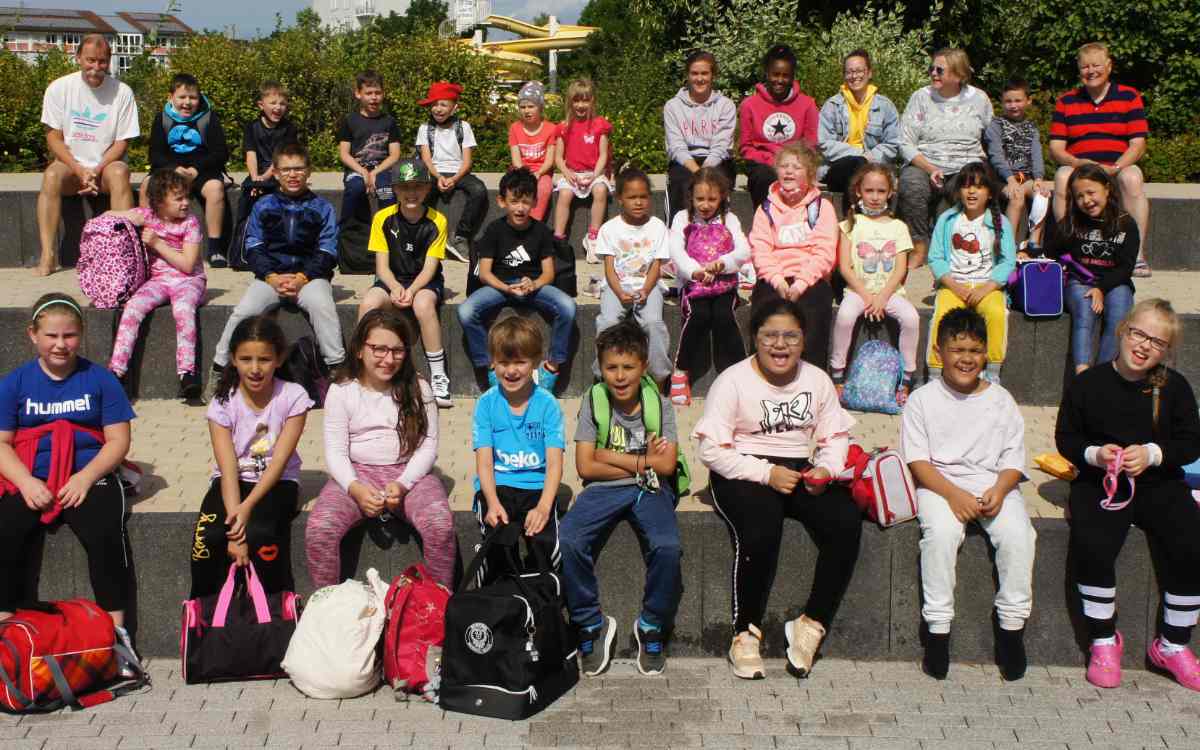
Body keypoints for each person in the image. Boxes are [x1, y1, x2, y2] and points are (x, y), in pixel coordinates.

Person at [695, 297, 860, 680]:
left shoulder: (817, 380)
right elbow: (711, 450)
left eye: (791, 336)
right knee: (762, 527)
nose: (780, 345)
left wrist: (826, 469)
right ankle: (744, 633)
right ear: (755, 338)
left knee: (845, 521)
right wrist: (766, 474)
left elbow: (835, 437)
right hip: (741, 468)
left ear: (804, 341)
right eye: (770, 335)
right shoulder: (732, 380)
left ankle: (811, 623)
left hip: (800, 466)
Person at [1056, 299, 1200, 691]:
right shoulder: (1088, 384)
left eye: (1156, 341)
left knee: (1192, 541)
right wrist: (1096, 455)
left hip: (1159, 481)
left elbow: (1191, 442)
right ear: (1122, 330)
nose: (1144, 346)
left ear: (1166, 351)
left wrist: (1154, 454)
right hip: (1100, 480)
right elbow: (1066, 438)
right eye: (1139, 333)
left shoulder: (1174, 387)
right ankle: (1104, 639)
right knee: (1093, 543)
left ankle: (1172, 644)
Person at [0, 293, 138, 666]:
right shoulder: (14, 384)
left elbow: (118, 441)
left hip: (87, 475)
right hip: (32, 476)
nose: (61, 344)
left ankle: (119, 639)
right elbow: (2, 445)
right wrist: (27, 482)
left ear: (81, 334)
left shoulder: (101, 380)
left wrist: (85, 477)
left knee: (107, 536)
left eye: (70, 336)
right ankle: (8, 638)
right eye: (51, 336)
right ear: (33, 335)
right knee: (6, 532)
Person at [902, 307, 1036, 681]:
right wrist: (954, 495)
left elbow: (1013, 458)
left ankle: (1011, 630)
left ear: (986, 354)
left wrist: (1000, 489)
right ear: (938, 352)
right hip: (939, 484)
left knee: (1018, 536)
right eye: (957, 350)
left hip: (993, 483)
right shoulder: (922, 400)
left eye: (975, 351)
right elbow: (918, 462)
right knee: (941, 536)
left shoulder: (1001, 400)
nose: (966, 359)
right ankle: (938, 632)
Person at [561, 318, 683, 677]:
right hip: (603, 490)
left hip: (650, 489)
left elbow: (667, 464)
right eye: (611, 367)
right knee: (568, 540)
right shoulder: (593, 400)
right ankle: (590, 622)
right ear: (600, 368)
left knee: (667, 548)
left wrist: (609, 456)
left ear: (643, 367)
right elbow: (585, 467)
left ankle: (651, 625)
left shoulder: (660, 405)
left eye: (628, 367)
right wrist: (644, 462)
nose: (619, 376)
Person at [307, 311, 454, 589]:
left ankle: (440, 604)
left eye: (397, 350)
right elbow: (336, 452)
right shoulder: (342, 391)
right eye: (379, 349)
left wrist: (403, 484)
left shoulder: (420, 388)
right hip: (356, 474)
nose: (388, 359)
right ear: (360, 349)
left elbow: (428, 446)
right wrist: (354, 488)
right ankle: (326, 606)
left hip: (409, 473)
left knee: (439, 524)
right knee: (320, 527)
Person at [203, 143, 343, 402]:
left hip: (309, 277)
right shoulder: (263, 206)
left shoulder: (322, 208)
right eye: (286, 169)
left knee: (324, 308)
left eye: (299, 169)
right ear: (276, 173)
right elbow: (254, 247)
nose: (293, 175)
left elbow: (328, 251)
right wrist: (271, 276)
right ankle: (220, 369)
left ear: (308, 172)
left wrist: (303, 278)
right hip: (270, 277)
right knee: (243, 312)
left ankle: (338, 371)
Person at [191, 316, 311, 598]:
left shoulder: (293, 397)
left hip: (277, 482)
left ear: (279, 359)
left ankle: (275, 607)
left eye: (264, 360)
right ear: (233, 359)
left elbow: (280, 461)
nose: (255, 369)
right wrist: (235, 518)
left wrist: (246, 511)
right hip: (232, 481)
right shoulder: (222, 401)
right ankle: (203, 612)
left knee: (260, 536)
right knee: (206, 539)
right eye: (246, 359)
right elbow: (227, 465)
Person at [458, 168, 576, 394]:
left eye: (525, 201)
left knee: (568, 307)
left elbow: (548, 273)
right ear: (502, 201)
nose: (520, 207)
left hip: (533, 286)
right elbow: (484, 273)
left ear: (534, 202)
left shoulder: (541, 231)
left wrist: (534, 284)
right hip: (500, 286)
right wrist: (506, 288)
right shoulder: (494, 230)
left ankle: (551, 368)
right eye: (514, 201)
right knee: (465, 312)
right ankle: (490, 367)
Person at [471, 316, 565, 586]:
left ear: (535, 363)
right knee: (499, 542)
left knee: (545, 546)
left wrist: (545, 507)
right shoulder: (486, 405)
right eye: (504, 362)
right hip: (498, 486)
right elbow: (485, 464)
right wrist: (492, 502)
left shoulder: (547, 404)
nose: (511, 371)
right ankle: (500, 600)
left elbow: (555, 464)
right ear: (492, 362)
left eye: (520, 362)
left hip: (537, 488)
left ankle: (543, 604)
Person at [36, 34, 138, 276]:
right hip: (70, 167)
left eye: (102, 61)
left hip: (105, 168)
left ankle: (121, 253)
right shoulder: (59, 88)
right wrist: (79, 168)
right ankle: (48, 254)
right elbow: (53, 136)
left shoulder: (122, 92)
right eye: (90, 60)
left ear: (110, 61)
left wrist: (96, 169)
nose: (96, 67)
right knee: (51, 175)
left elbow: (122, 142)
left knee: (121, 172)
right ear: (78, 58)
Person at [1050, 42, 1151, 278]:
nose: (1090, 71)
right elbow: (1056, 148)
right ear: (1079, 70)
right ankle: (1069, 249)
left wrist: (1115, 168)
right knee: (1062, 175)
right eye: (1085, 66)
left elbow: (1138, 144)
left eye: (1096, 65)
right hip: (1080, 167)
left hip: (1117, 165)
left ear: (1109, 66)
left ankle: (1136, 256)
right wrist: (1077, 163)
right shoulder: (1066, 101)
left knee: (1133, 177)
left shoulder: (1129, 96)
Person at [105, 168, 207, 400]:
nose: (185, 203)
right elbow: (112, 215)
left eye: (186, 197)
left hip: (188, 281)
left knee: (183, 310)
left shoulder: (190, 223)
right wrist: (104, 221)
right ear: (159, 203)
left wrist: (158, 244)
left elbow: (188, 264)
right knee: (132, 308)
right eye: (178, 198)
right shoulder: (147, 216)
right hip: (158, 280)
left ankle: (187, 373)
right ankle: (117, 371)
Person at [358, 158, 452, 407]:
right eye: (405, 187)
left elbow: (430, 267)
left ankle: (439, 374)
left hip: (423, 281)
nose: (411, 193)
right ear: (395, 190)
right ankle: (361, 367)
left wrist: (410, 290)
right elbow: (381, 267)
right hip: (392, 279)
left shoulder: (437, 221)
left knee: (423, 305)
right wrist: (396, 287)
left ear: (427, 189)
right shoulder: (382, 218)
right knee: (369, 302)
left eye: (418, 187)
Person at [829, 163, 919, 404]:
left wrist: (881, 297)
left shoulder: (898, 227)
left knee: (911, 318)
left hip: (890, 293)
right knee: (846, 315)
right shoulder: (849, 225)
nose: (875, 197)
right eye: (869, 191)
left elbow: (900, 268)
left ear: (890, 193)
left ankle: (907, 377)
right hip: (859, 291)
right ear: (858, 191)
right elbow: (845, 267)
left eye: (881, 191)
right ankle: (837, 373)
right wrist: (866, 295)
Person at [897, 48, 993, 268]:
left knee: (962, 190)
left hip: (965, 165)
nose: (933, 73)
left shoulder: (979, 99)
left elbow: (990, 138)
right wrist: (930, 168)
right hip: (925, 162)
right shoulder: (921, 97)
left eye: (940, 69)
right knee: (911, 184)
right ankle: (919, 246)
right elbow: (905, 142)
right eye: (932, 68)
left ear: (959, 74)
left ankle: (951, 252)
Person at [748, 142, 838, 372]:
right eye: (784, 166)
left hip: (809, 278)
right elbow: (760, 249)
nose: (788, 171)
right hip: (774, 277)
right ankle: (763, 374)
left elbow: (825, 252)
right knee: (764, 317)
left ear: (809, 175)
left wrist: (800, 284)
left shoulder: (822, 207)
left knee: (814, 316)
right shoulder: (765, 208)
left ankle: (812, 377)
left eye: (796, 167)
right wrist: (777, 280)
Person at [925, 162, 1015, 384]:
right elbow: (935, 258)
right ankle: (936, 371)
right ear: (958, 191)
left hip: (987, 286)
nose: (972, 191)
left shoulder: (1000, 222)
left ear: (990, 193)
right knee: (940, 315)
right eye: (966, 186)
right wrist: (954, 286)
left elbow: (1007, 261)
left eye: (979, 187)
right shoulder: (947, 220)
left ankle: (993, 370)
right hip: (954, 285)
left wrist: (987, 287)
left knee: (996, 313)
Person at [1043, 164, 1138, 374]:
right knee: (1085, 314)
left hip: (1115, 282)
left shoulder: (1126, 224)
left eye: (1091, 192)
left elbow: (1126, 267)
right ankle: (1083, 374)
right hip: (1080, 280)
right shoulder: (1073, 222)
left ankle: (1102, 375)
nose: (1086, 200)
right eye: (1079, 196)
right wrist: (1030, 254)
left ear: (1107, 189)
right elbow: (1052, 250)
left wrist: (1101, 288)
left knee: (1119, 316)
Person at [667, 166, 749, 406]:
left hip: (724, 284)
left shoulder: (729, 219)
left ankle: (741, 373)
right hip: (695, 285)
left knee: (724, 316)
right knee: (699, 315)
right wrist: (694, 271)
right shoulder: (682, 218)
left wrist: (721, 264)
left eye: (712, 199)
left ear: (722, 196)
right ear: (691, 197)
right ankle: (681, 370)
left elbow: (743, 250)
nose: (705, 204)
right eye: (700, 198)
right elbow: (676, 250)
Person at [593, 168, 672, 388]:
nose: (638, 202)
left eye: (643, 197)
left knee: (653, 323)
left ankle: (659, 375)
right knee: (607, 322)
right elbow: (609, 268)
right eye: (632, 197)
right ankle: (601, 373)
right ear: (620, 199)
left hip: (648, 285)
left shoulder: (657, 227)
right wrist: (618, 292)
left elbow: (656, 266)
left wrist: (646, 290)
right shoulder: (609, 229)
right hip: (616, 286)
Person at [145, 72, 229, 267]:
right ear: (171, 97)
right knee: (146, 186)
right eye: (182, 97)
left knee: (216, 189)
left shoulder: (209, 117)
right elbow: (155, 155)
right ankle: (148, 240)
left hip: (202, 169)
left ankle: (215, 248)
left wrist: (196, 170)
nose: (187, 102)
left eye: (193, 97)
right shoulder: (162, 119)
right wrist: (174, 169)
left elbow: (221, 153)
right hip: (170, 169)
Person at [738, 44, 819, 208]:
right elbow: (746, 147)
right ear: (767, 74)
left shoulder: (807, 104)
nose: (780, 80)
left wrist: (789, 164)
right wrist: (772, 162)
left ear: (792, 76)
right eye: (775, 74)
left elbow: (810, 144)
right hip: (761, 164)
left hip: (795, 162)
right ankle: (767, 225)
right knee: (764, 177)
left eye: (785, 75)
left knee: (796, 177)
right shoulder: (749, 105)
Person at [417, 80, 488, 263]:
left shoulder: (463, 127)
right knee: (421, 192)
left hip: (459, 172)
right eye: (434, 104)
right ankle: (425, 234)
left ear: (454, 108)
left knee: (479, 190)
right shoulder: (425, 128)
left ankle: (460, 236)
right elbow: (426, 159)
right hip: (434, 171)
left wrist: (455, 179)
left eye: (443, 104)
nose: (438, 109)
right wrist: (439, 177)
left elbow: (467, 161)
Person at [663, 50, 737, 220]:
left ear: (713, 75)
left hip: (716, 160)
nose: (700, 78)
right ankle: (678, 232)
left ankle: (720, 233)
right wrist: (697, 172)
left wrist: (704, 173)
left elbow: (721, 146)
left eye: (705, 73)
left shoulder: (726, 106)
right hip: (685, 160)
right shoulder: (672, 106)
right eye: (694, 73)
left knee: (715, 182)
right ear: (687, 75)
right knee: (681, 181)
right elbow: (676, 146)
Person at [817, 49, 901, 195]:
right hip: (837, 168)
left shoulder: (885, 106)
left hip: (876, 167)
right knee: (856, 164)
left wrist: (871, 158)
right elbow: (825, 143)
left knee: (868, 173)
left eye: (859, 71)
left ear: (869, 73)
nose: (854, 76)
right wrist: (860, 154)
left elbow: (893, 143)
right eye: (849, 72)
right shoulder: (832, 106)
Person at [985, 77, 1051, 250]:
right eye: (1008, 101)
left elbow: (1036, 154)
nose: (1013, 105)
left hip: (1024, 177)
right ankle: (1008, 245)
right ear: (1002, 102)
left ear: (1028, 101)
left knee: (1042, 194)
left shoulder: (1031, 127)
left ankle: (1034, 241)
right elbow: (996, 155)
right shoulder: (996, 125)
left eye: (1018, 100)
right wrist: (1010, 179)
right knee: (1017, 196)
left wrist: (1038, 178)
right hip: (1001, 179)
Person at [338, 70, 402, 250]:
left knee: (386, 192)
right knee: (355, 189)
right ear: (358, 94)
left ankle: (388, 235)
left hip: (383, 169)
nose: (374, 98)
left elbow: (395, 154)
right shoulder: (350, 121)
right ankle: (346, 235)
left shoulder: (389, 122)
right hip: (357, 169)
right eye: (369, 93)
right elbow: (344, 154)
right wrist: (363, 172)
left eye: (378, 93)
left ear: (383, 93)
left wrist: (375, 172)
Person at [553, 78, 612, 263]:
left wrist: (595, 174)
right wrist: (567, 173)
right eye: (576, 100)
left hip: (594, 172)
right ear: (570, 102)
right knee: (564, 194)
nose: (580, 105)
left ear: (592, 101)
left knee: (600, 190)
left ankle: (593, 237)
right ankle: (558, 238)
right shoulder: (563, 127)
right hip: (572, 172)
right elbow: (558, 157)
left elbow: (603, 154)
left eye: (585, 100)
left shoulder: (599, 125)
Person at [239, 81, 299, 226]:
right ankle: (243, 234)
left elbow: (281, 158)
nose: (278, 107)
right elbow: (251, 153)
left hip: (280, 172)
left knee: (280, 196)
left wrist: (264, 179)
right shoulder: (252, 127)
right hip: (258, 172)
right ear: (261, 105)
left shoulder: (289, 128)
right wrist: (255, 179)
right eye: (273, 103)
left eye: (282, 104)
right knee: (247, 196)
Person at [508, 81, 558, 222]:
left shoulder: (550, 128)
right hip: (520, 170)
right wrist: (524, 174)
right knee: (512, 188)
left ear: (540, 107)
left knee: (543, 189)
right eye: (522, 107)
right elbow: (516, 159)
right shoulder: (515, 128)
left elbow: (550, 160)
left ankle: (534, 222)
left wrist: (538, 173)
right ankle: (514, 221)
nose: (526, 110)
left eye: (531, 106)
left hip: (542, 171)